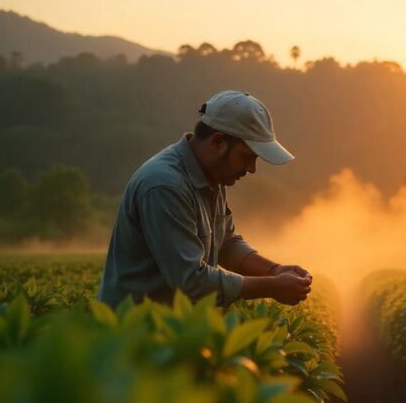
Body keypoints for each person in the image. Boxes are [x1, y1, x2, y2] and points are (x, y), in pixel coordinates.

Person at [98, 90, 312, 307]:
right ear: (218, 142)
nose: (252, 169)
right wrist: (272, 286)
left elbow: (225, 244)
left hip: (172, 328)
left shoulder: (212, 177)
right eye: (247, 157)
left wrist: (274, 270)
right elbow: (191, 281)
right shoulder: (165, 186)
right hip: (134, 333)